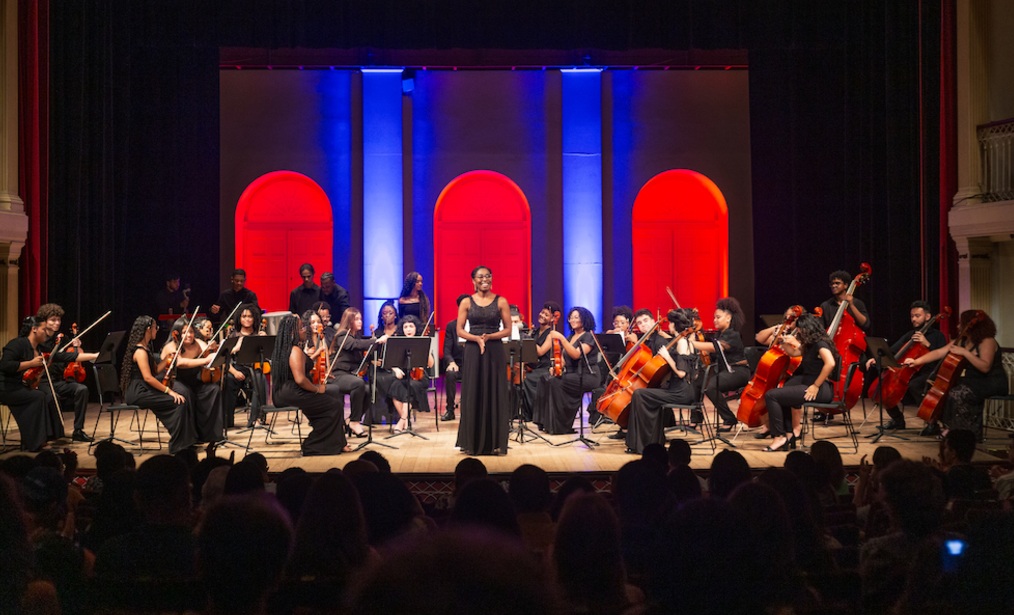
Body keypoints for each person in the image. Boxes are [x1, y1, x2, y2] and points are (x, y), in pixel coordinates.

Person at [904, 309, 1006, 439]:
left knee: (956, 393)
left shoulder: (987, 341)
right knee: (944, 389)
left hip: (991, 381)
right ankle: (947, 425)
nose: (958, 326)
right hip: (971, 380)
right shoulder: (962, 340)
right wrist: (916, 361)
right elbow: (939, 352)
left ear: (972, 325)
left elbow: (985, 367)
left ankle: (959, 431)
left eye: (961, 323)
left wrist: (964, 353)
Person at [270, 314, 351, 455]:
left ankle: (340, 442)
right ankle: (312, 445)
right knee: (334, 405)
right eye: (301, 327)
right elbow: (300, 379)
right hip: (291, 392)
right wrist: (316, 389)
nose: (304, 329)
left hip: (287, 392)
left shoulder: (286, 349)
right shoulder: (294, 351)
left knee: (334, 392)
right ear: (292, 332)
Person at [455, 266, 512, 456]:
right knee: (473, 392)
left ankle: (494, 441)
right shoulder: (466, 302)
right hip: (473, 349)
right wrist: (477, 338)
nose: (485, 279)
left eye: (488, 276)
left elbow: (508, 330)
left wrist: (489, 337)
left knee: (495, 392)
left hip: (494, 349)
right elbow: (460, 330)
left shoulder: (501, 301)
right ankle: (473, 441)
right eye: (480, 277)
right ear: (473, 280)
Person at [120, 316, 198, 455]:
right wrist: (169, 391)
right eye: (155, 327)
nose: (157, 330)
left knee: (180, 400)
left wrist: (170, 358)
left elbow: (156, 370)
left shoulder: (145, 348)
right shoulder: (140, 351)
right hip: (138, 392)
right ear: (148, 329)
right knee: (178, 401)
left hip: (144, 389)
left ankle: (185, 442)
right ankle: (178, 446)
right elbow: (149, 378)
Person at [624, 308, 698, 454]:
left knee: (640, 394)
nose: (668, 326)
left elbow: (682, 373)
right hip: (679, 389)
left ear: (674, 325)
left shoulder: (682, 342)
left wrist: (667, 356)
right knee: (642, 394)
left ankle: (643, 444)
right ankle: (651, 442)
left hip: (681, 391)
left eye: (670, 323)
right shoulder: (684, 341)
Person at [762, 313, 838, 452]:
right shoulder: (810, 344)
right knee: (782, 391)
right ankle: (789, 433)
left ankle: (779, 436)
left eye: (800, 329)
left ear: (807, 328)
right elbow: (794, 353)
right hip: (809, 384)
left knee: (771, 395)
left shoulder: (820, 344)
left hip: (820, 389)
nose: (799, 332)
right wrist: (783, 341)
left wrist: (815, 386)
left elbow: (830, 363)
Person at [865, 300, 947, 430]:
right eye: (912, 316)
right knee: (884, 387)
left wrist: (927, 344)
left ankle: (932, 422)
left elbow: (942, 358)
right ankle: (897, 420)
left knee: (915, 385)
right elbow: (892, 351)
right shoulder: (910, 335)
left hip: (929, 372)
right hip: (909, 371)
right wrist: (877, 358)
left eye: (917, 316)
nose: (913, 319)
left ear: (927, 316)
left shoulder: (938, 336)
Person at [1, 317, 79, 451]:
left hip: (21, 387)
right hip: (6, 387)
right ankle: (35, 442)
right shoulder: (17, 344)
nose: (46, 332)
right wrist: (30, 363)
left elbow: (62, 357)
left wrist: (94, 355)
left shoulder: (40, 348)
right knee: (38, 396)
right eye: (44, 329)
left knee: (43, 396)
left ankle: (41, 439)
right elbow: (5, 365)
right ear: (34, 329)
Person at [35, 304, 100, 442]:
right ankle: (53, 432)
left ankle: (78, 430)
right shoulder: (40, 340)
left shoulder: (62, 339)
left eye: (58, 319)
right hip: (43, 381)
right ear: (44, 321)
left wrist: (77, 347)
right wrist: (92, 355)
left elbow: (72, 357)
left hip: (59, 381)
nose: (57, 322)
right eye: (53, 320)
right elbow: (65, 357)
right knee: (53, 398)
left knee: (81, 389)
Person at [533, 306, 599, 435]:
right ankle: (544, 422)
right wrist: (555, 367)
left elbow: (576, 354)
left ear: (584, 319)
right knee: (545, 379)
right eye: (571, 317)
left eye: (576, 317)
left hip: (588, 375)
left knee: (556, 382)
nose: (573, 320)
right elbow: (563, 359)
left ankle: (561, 426)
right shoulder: (570, 338)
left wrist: (561, 339)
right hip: (573, 374)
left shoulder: (589, 336)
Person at [689, 297, 751, 431]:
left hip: (738, 371)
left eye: (718, 317)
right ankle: (696, 418)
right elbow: (710, 350)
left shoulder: (732, 334)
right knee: (697, 382)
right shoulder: (719, 334)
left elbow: (715, 347)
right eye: (714, 317)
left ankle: (729, 418)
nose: (715, 320)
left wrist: (691, 343)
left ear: (728, 318)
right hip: (725, 371)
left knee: (711, 387)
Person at [160, 317, 222, 446]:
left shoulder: (198, 342)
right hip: (175, 381)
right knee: (186, 393)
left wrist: (214, 349)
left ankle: (209, 435)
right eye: (184, 332)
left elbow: (210, 352)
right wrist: (205, 360)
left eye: (191, 332)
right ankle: (189, 438)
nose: (189, 335)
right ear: (176, 333)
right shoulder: (171, 346)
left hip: (194, 380)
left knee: (213, 389)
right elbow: (181, 363)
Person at [331, 307, 388, 437]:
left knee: (371, 390)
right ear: (349, 321)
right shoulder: (342, 335)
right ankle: (355, 422)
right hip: (337, 374)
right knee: (358, 383)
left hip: (349, 375)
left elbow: (360, 351)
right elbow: (355, 345)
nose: (360, 321)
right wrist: (375, 341)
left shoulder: (355, 336)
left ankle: (351, 419)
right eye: (356, 319)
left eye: (360, 319)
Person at [222, 303, 268, 429]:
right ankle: (227, 421)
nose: (247, 319)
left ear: (255, 318)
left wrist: (264, 340)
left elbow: (267, 356)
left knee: (261, 379)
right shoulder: (233, 335)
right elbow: (224, 359)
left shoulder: (259, 334)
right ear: (239, 318)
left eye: (250, 316)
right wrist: (234, 372)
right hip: (236, 368)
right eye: (244, 316)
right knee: (228, 381)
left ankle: (256, 419)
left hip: (254, 368)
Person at [520, 301, 563, 423]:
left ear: (552, 318)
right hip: (533, 366)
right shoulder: (535, 331)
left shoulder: (551, 334)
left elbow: (540, 352)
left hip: (544, 368)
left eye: (546, 314)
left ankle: (534, 414)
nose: (542, 316)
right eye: (542, 312)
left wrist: (526, 337)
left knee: (528, 379)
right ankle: (523, 413)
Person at [440, 294, 469, 421]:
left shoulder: (478, 325)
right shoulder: (452, 326)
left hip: (475, 363)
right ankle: (450, 410)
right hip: (458, 364)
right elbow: (446, 349)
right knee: (450, 373)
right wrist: (451, 362)